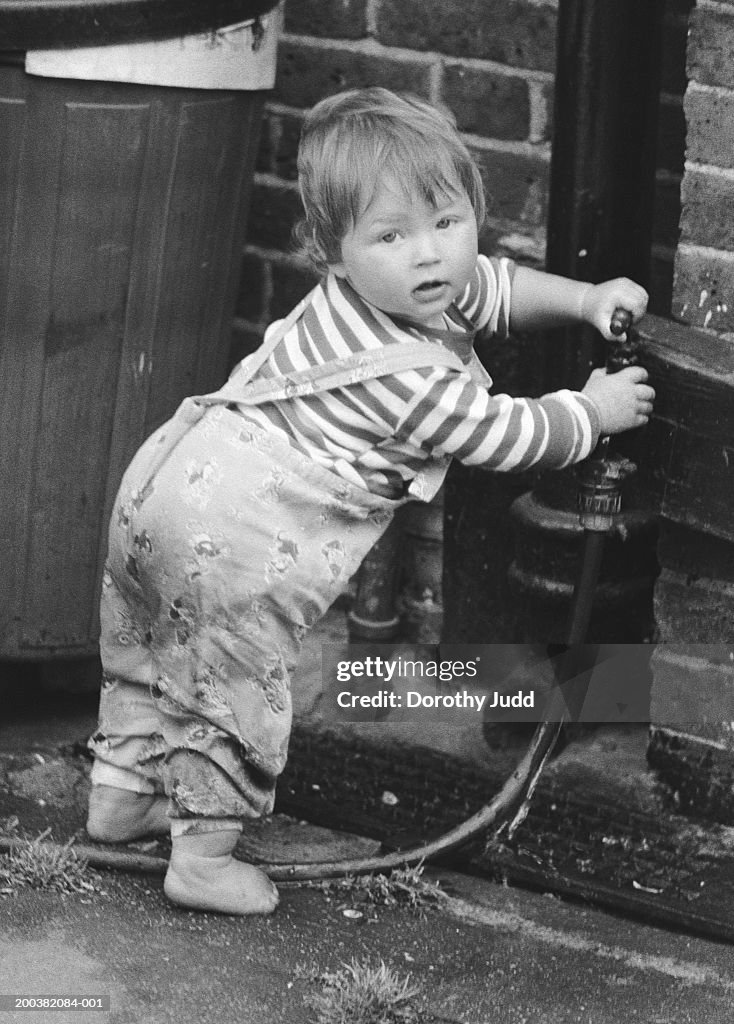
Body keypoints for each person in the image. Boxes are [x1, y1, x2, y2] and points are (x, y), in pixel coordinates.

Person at [85, 87, 654, 915]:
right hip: (235, 535)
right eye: (393, 235)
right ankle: (202, 856)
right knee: (235, 682)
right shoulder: (406, 373)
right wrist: (594, 413)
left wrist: (583, 297)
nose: (430, 256)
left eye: (447, 223)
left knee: (150, 647)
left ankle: (122, 793)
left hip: (163, 484)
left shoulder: (385, 291)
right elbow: (505, 436)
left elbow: (492, 287)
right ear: (333, 250)